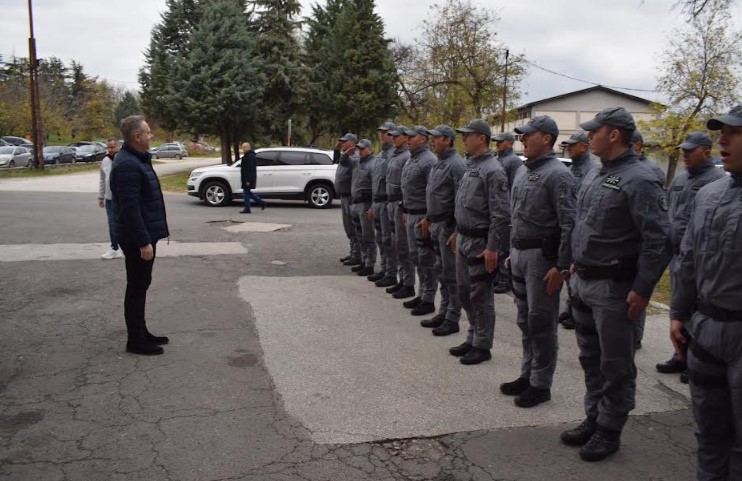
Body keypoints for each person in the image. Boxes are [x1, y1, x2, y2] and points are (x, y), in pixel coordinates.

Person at [561, 107, 671, 461]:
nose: (589, 135)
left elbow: (658, 240)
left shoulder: (641, 178)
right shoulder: (595, 174)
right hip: (585, 281)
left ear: (614, 135)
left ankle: (610, 429)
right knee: (590, 358)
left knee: (616, 364)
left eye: (596, 130)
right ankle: (594, 417)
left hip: (614, 287)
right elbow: (585, 224)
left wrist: (642, 289)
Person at [670, 105, 742, 481]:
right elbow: (689, 258)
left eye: (735, 133)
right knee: (710, 436)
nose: (723, 140)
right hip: (706, 329)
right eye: (721, 132)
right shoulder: (710, 194)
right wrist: (678, 313)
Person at [501, 116, 576, 408]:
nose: (522, 139)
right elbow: (515, 217)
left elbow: (570, 223)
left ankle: (541, 384)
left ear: (546, 139)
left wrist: (562, 266)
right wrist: (510, 251)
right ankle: (527, 373)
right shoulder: (522, 171)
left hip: (543, 259)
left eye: (527, 135)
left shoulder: (558, 175)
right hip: (520, 255)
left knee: (541, 322)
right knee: (524, 319)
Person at [657, 132, 725, 385]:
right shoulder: (681, 178)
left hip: (701, 258)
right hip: (678, 255)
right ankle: (680, 354)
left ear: (707, 152)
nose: (684, 154)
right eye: (683, 150)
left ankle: (695, 359)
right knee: (680, 305)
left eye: (690, 150)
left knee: (697, 310)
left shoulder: (715, 181)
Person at [448, 119, 511, 365]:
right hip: (463, 236)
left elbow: (501, 214)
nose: (464, 139)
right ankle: (473, 335)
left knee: (480, 295)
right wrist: (456, 230)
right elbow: (462, 203)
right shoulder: (471, 166)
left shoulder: (493, 170)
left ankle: (482, 345)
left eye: (468, 135)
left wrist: (493, 247)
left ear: (482, 138)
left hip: (480, 242)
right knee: (464, 292)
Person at [110, 116, 170, 356]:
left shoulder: (137, 159)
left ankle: (141, 332)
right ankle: (135, 340)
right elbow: (129, 208)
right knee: (136, 286)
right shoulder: (127, 165)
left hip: (144, 234)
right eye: (147, 132)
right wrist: (143, 241)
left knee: (141, 285)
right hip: (137, 238)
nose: (150, 135)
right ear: (137, 137)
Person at [418, 125, 466, 336]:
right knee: (440, 271)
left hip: (448, 226)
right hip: (436, 224)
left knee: (451, 275)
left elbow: (459, 199)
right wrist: (428, 218)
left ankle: (452, 317)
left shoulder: (456, 165)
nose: (432, 141)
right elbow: (434, 195)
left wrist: (456, 229)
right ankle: (444, 311)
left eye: (436, 138)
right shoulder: (439, 163)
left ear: (447, 140)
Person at [630, 129, 667, 349]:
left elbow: (656, 220)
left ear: (638, 145)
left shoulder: (650, 172)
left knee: (637, 294)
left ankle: (635, 337)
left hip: (640, 245)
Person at [557, 132, 598, 330]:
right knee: (567, 272)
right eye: (568, 146)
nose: (569, 148)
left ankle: (576, 311)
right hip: (567, 227)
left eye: (573, 145)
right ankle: (570, 308)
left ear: (584, 146)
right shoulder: (571, 169)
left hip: (580, 228)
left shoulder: (592, 171)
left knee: (575, 273)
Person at [400, 126, 438, 316]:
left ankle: (429, 298)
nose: (408, 139)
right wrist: (405, 209)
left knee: (426, 259)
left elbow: (432, 192)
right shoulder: (411, 158)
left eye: (411, 137)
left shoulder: (429, 161)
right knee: (415, 256)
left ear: (422, 139)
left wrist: (428, 218)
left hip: (423, 216)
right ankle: (422, 293)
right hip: (411, 213)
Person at [491, 132, 523, 294]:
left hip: (506, 211)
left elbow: (513, 187)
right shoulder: (498, 159)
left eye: (500, 142)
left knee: (504, 247)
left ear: (510, 143)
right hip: (495, 211)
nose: (497, 144)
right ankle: (497, 276)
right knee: (496, 245)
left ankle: (505, 279)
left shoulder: (514, 161)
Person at [385, 126, 415, 298]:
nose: (393, 139)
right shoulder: (396, 155)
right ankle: (402, 279)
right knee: (397, 244)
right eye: (392, 136)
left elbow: (406, 185)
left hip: (400, 204)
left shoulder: (407, 156)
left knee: (404, 246)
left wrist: (404, 206)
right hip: (392, 203)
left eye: (397, 136)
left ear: (405, 137)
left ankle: (409, 283)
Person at [367, 122, 398, 287]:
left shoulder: (395, 155)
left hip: (388, 202)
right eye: (381, 133)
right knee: (380, 238)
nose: (382, 135)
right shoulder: (380, 156)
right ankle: (385, 269)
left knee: (388, 239)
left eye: (385, 133)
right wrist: (372, 205)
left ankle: (392, 273)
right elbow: (375, 182)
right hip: (378, 201)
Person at [342, 137, 376, 277]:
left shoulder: (373, 164)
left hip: (365, 203)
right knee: (359, 235)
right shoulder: (356, 161)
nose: (360, 151)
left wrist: (373, 207)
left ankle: (370, 264)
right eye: (359, 148)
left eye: (363, 148)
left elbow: (376, 187)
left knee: (368, 236)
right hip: (355, 203)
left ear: (370, 149)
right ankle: (363, 260)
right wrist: (346, 152)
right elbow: (343, 162)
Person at [336, 134, 361, 266]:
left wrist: (345, 153)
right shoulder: (345, 156)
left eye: (344, 142)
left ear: (352, 143)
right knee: (348, 227)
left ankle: (357, 255)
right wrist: (338, 150)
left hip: (351, 197)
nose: (342, 144)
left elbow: (345, 162)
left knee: (353, 227)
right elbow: (338, 160)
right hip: (344, 196)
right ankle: (353, 253)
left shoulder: (354, 157)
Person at [98, 138, 123, 259]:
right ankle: (114, 248)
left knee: (126, 224)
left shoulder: (123, 159)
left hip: (123, 199)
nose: (110, 150)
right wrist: (101, 196)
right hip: (109, 199)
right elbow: (102, 180)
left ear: (118, 146)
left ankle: (129, 247)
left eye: (112, 147)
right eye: (108, 147)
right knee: (112, 223)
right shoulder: (105, 160)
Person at [239, 142, 266, 214]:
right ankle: (261, 202)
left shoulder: (250, 156)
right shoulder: (247, 155)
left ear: (249, 147)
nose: (244, 149)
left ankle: (247, 208)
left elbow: (250, 169)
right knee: (247, 193)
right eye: (243, 147)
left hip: (248, 178)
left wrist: (248, 180)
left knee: (246, 193)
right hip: (245, 178)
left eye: (245, 147)